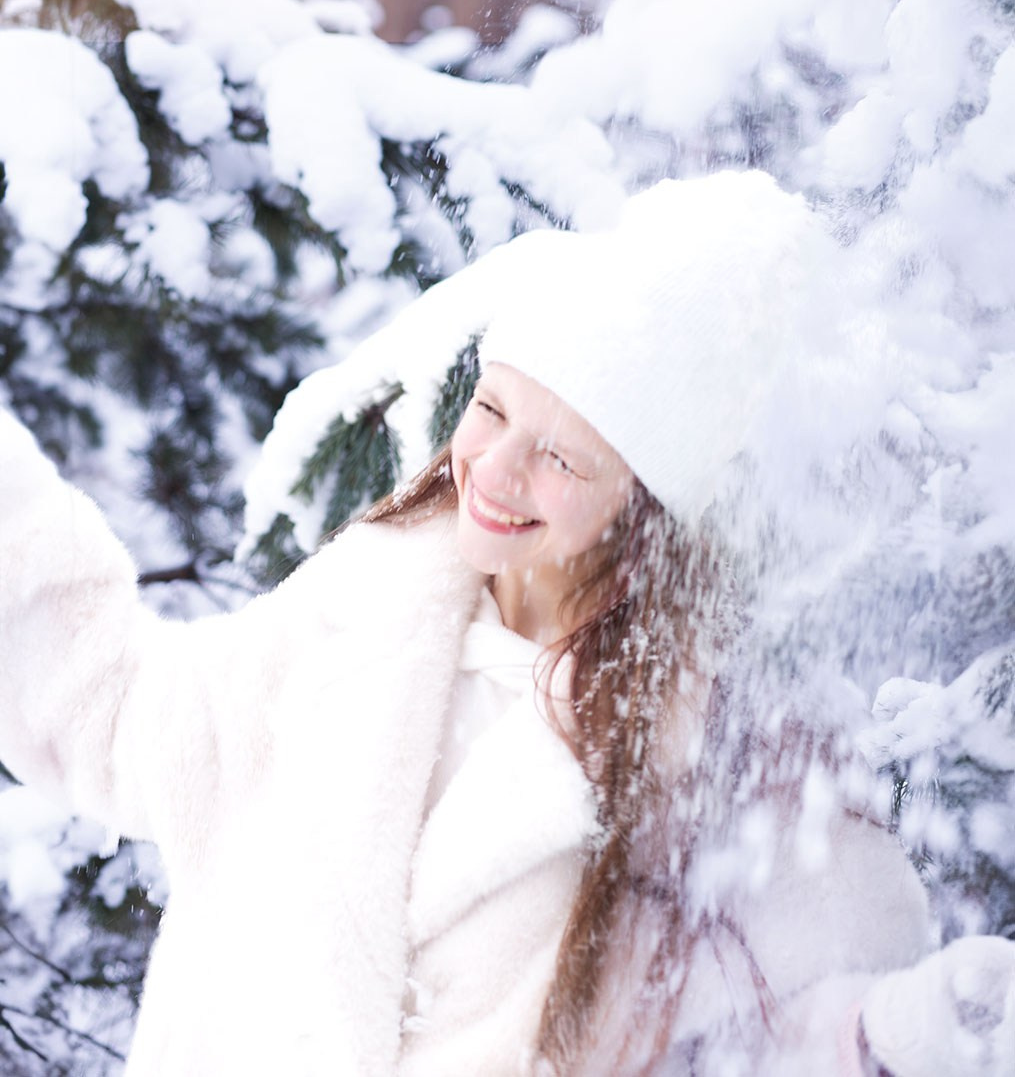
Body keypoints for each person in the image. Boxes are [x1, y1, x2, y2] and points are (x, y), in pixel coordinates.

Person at [0, 171, 1011, 1076]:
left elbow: (763, 1036)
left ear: (646, 510)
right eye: (490, 411)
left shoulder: (721, 754)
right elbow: (118, 716)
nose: (492, 471)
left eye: (562, 460)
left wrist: (909, 1032)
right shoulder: (368, 599)